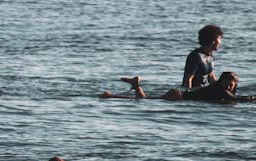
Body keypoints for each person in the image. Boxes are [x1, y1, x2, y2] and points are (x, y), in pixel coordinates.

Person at [100, 72, 255, 103]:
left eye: (231, 84)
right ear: (221, 82)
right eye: (226, 82)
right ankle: (112, 95)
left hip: (180, 95)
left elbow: (235, 97)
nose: (228, 86)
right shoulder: (220, 90)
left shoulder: (222, 89)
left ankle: (132, 86)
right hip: (179, 97)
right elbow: (237, 99)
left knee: (149, 99)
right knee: (147, 100)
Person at [182, 24, 222, 90]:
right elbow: (188, 79)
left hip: (202, 89)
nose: (220, 42)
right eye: (219, 38)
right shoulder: (195, 56)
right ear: (213, 41)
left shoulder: (210, 56)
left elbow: (210, 77)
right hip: (194, 91)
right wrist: (188, 96)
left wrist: (221, 89)